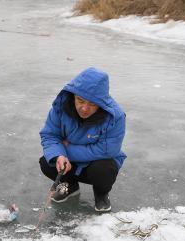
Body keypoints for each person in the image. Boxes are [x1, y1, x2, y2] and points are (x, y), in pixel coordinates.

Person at [39, 67, 126, 212]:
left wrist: (66, 149)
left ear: (101, 103)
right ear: (73, 95)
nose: (84, 108)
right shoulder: (60, 107)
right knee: (48, 162)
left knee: (103, 171)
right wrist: (59, 155)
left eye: (92, 104)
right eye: (80, 100)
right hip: (70, 163)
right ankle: (70, 186)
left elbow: (107, 150)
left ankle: (101, 193)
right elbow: (50, 135)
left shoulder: (115, 117)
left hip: (97, 163)